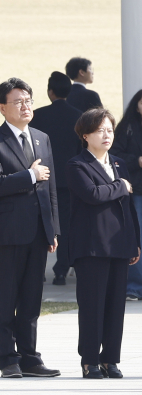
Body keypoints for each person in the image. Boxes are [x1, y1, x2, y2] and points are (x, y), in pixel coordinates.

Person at [66, 107, 140, 379]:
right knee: (92, 305)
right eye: (100, 130)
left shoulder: (119, 164)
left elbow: (129, 208)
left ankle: (111, 359)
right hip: (92, 246)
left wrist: (135, 241)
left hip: (120, 244)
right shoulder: (77, 165)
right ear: (85, 135)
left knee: (115, 306)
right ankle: (90, 360)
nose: (106, 135)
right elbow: (93, 194)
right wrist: (121, 185)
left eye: (109, 129)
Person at [0, 78, 62, 379]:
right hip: (8, 233)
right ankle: (6, 357)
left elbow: (50, 187)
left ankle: (30, 357)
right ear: (2, 108)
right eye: (18, 102)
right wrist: (29, 175)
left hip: (38, 232)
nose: (26, 106)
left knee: (31, 298)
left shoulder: (41, 138)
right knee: (5, 298)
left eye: (29, 100)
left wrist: (52, 230)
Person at [30, 71, 81, 287]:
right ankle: (61, 271)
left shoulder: (38, 115)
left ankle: (38, 269)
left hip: (43, 177)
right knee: (66, 225)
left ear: (49, 92)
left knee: (42, 223)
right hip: (69, 179)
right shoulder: (79, 116)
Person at [111, 89, 142, 301]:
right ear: (136, 106)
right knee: (137, 236)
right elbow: (116, 154)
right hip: (137, 187)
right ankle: (134, 287)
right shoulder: (127, 127)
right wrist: (136, 161)